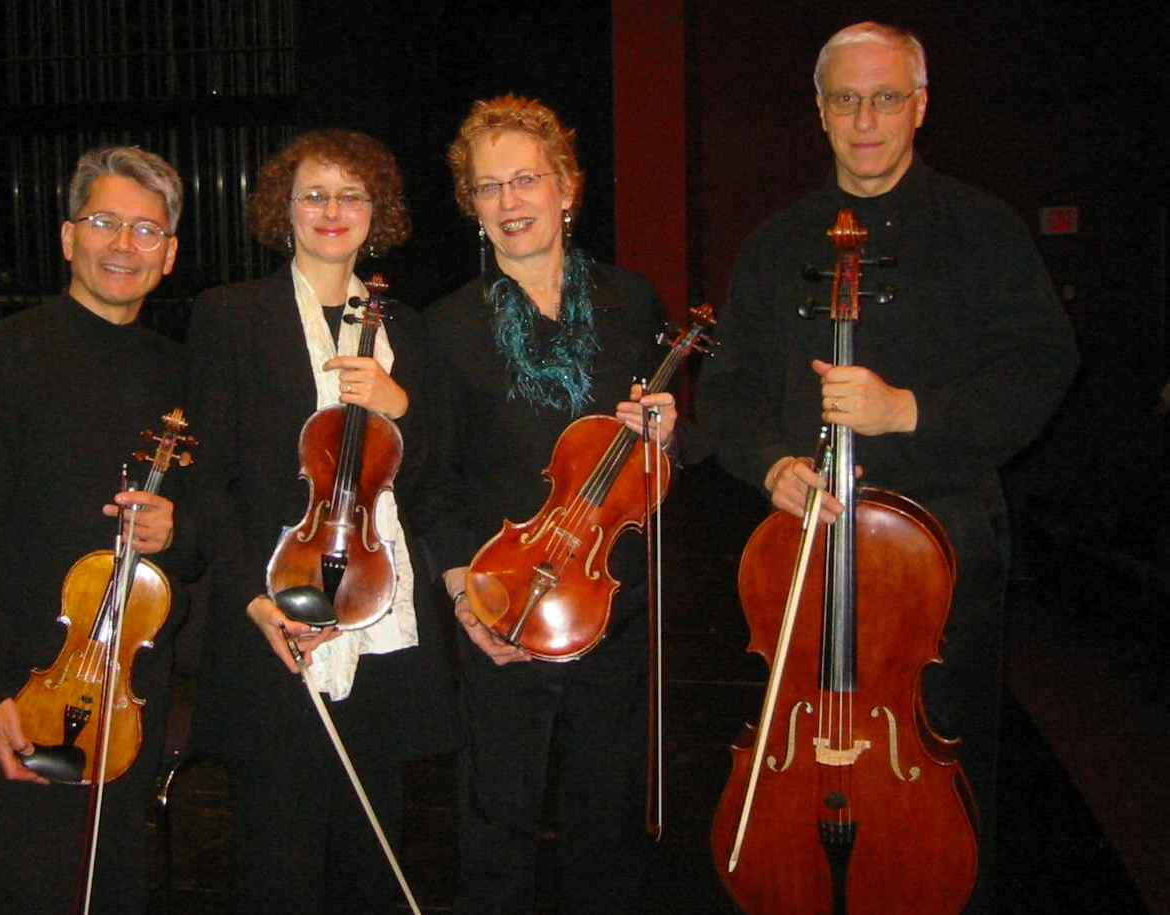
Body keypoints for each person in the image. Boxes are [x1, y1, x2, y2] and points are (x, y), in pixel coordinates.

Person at [696, 22, 1079, 911]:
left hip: (939, 565)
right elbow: (731, 393)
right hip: (806, 553)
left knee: (945, 774)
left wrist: (907, 410)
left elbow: (1040, 366)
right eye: (844, 98)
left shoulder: (981, 230)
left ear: (919, 106)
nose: (864, 118)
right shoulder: (774, 241)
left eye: (884, 96)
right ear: (819, 112)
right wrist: (770, 466)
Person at [422, 95, 689, 913]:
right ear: (471, 204)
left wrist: (666, 432)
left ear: (566, 187)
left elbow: (649, 466)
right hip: (500, 602)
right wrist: (469, 599)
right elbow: (430, 481)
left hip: (610, 601)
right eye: (489, 186)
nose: (510, 202)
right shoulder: (442, 327)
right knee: (495, 820)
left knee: (607, 823)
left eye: (526, 180)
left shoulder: (632, 302)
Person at [184, 129, 455, 914]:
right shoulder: (231, 315)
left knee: (372, 856)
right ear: (283, 208)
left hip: (375, 611)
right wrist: (251, 597)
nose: (332, 210)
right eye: (313, 193)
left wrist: (401, 406)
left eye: (351, 194)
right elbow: (211, 480)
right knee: (281, 857)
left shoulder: (408, 327)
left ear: (378, 211)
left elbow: (434, 479)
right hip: (275, 614)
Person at [0, 145, 193, 913]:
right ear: (68, 236)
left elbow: (208, 529)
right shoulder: (3, 356)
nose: (123, 245)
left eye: (147, 231)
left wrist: (179, 529)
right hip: (30, 682)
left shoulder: (182, 372)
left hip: (133, 685)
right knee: (34, 886)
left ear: (169, 255)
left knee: (114, 884)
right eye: (104, 221)